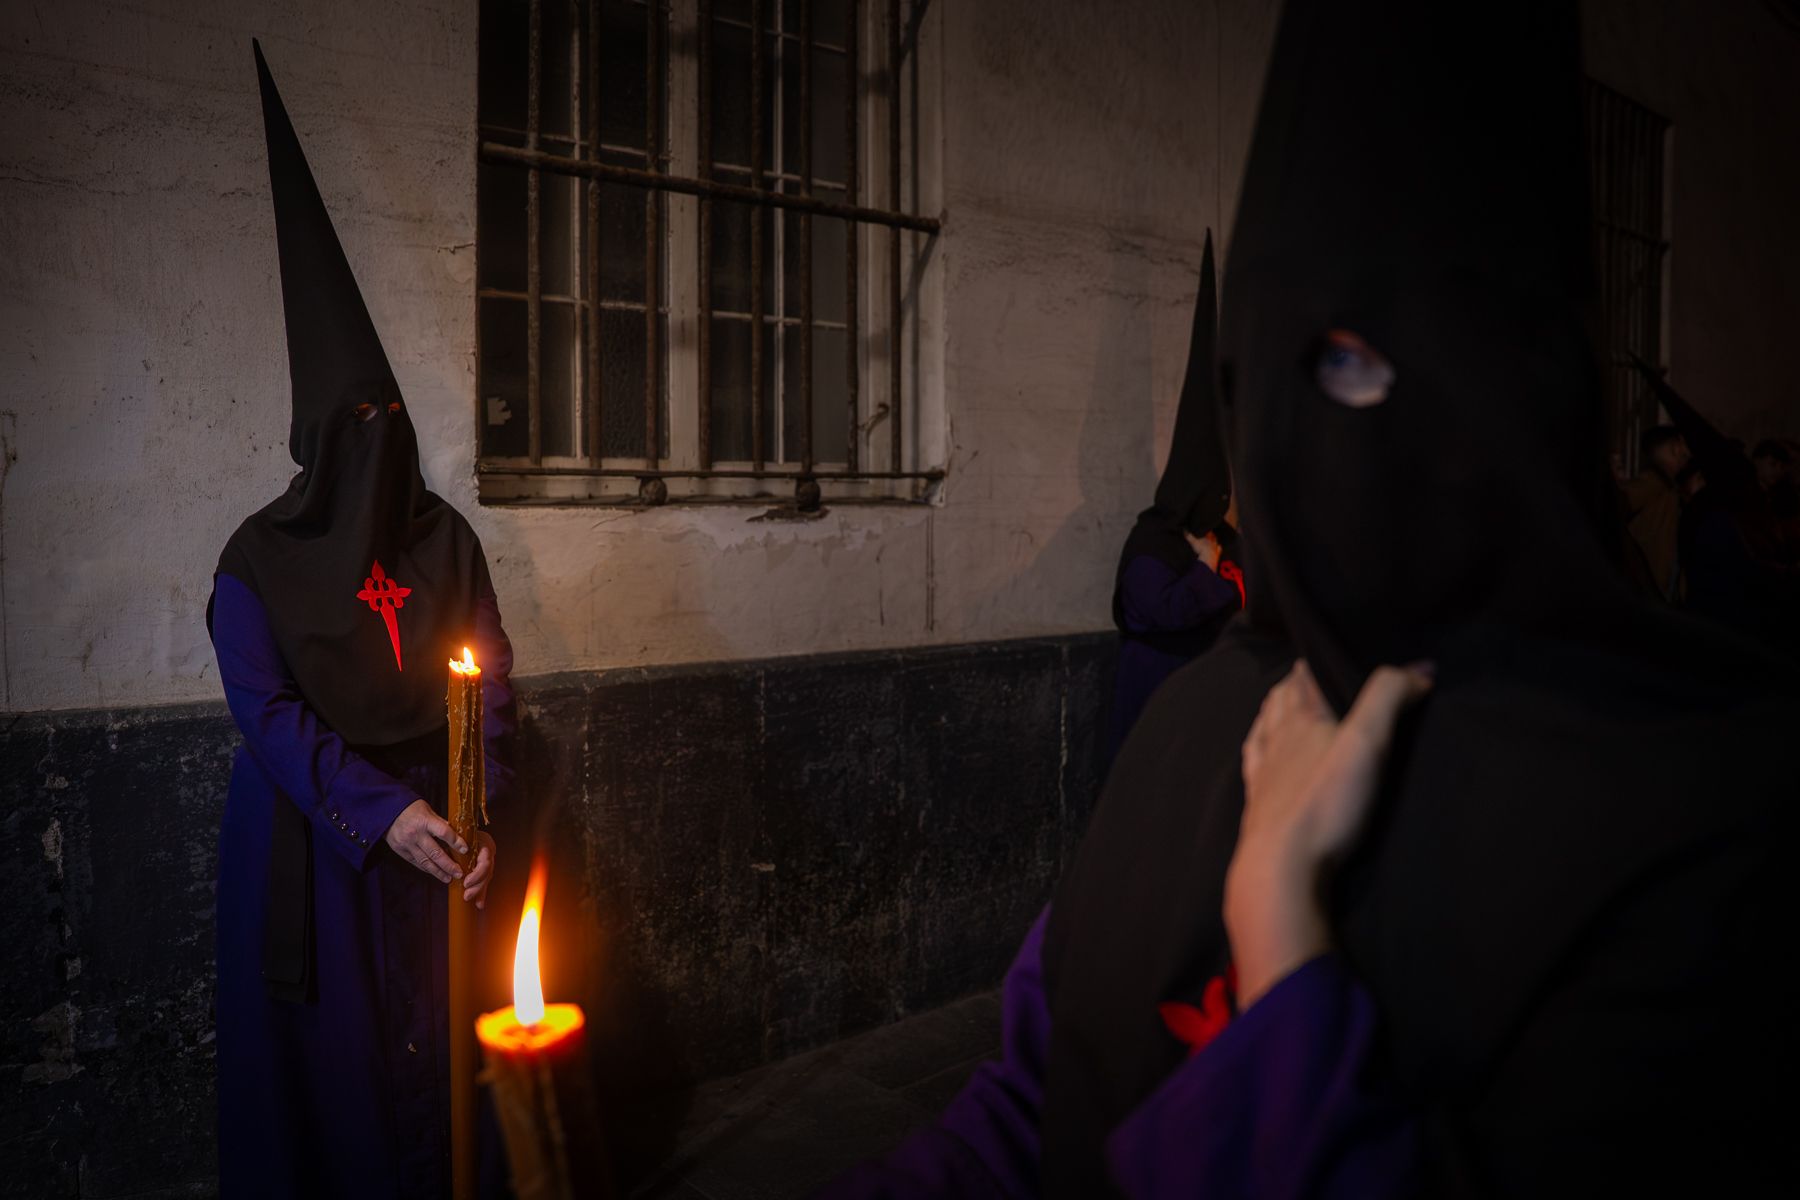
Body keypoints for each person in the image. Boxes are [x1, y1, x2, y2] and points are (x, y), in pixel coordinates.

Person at [820, 2, 1798, 1196]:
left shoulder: (1696, 809)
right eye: (1268, 375)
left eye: (1358, 365)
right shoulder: (1192, 725)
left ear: (1516, 384)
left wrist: (1282, 932)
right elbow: (1031, 1104)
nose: (1303, 440)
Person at [209, 43, 514, 1199]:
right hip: (322, 836)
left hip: (446, 833)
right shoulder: (254, 566)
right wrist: (389, 817)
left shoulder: (446, 538)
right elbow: (269, 715)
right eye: (358, 421)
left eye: (393, 414)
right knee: (332, 1086)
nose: (380, 439)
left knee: (444, 1066)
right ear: (315, 442)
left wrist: (478, 813)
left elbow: (494, 675)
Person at [1109, 232, 1244, 760]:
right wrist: (1206, 570)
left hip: (1206, 701)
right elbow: (1156, 612)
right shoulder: (1153, 541)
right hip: (1156, 696)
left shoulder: (1221, 535)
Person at [1619, 424, 1689, 600]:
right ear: (1675, 447)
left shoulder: (1670, 488)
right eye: (1682, 447)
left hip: (1661, 586)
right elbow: (1619, 504)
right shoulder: (1652, 482)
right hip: (1648, 587)